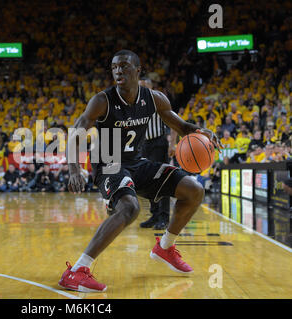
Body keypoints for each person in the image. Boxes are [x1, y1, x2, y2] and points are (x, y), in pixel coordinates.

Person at [58, 50, 221, 292]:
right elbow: (77, 131)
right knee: (130, 208)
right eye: (114, 67)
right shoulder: (102, 100)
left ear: (138, 70)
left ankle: (165, 247)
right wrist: (74, 170)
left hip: (138, 162)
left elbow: (182, 126)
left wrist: (201, 131)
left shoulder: (155, 98)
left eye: (124, 66)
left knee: (194, 190)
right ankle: (77, 271)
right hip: (109, 162)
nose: (118, 71)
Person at [138, 77, 171, 230]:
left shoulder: (158, 99)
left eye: (143, 86)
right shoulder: (135, 103)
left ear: (150, 87)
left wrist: (172, 144)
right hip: (144, 145)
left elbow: (174, 122)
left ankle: (164, 217)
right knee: (147, 181)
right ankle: (155, 214)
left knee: (161, 180)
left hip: (158, 143)